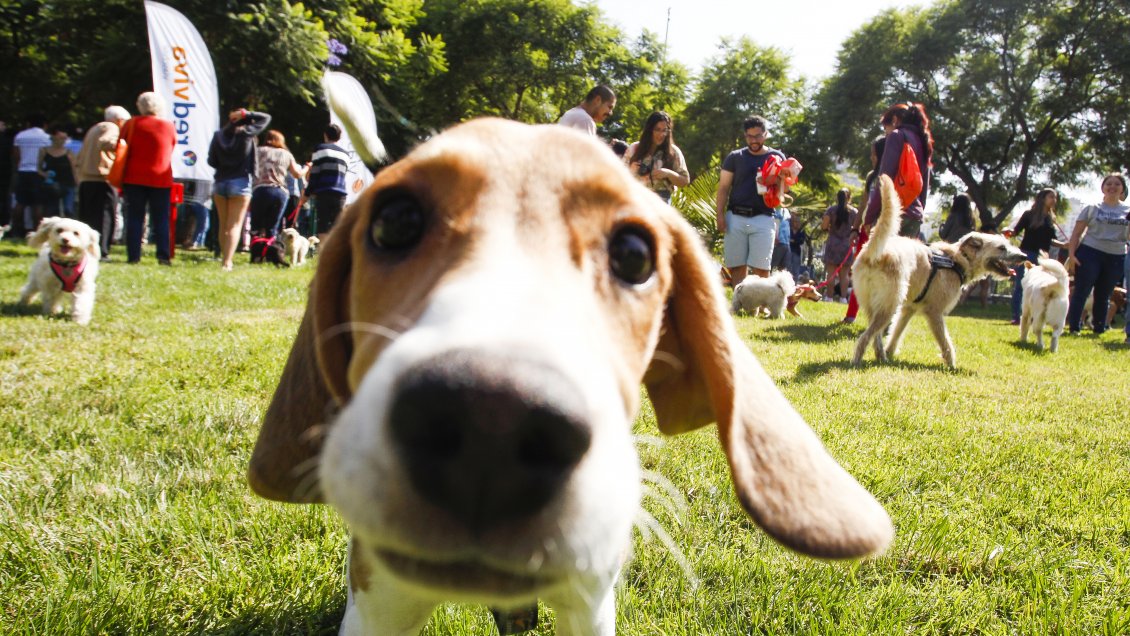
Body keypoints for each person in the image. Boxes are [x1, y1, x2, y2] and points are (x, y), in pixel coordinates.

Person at [715, 115, 788, 287]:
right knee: (737, 266)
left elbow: (786, 190)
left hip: (764, 216)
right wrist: (720, 215)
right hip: (736, 215)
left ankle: (761, 306)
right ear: (745, 136)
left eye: (757, 136)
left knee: (762, 267)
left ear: (766, 134)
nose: (753, 140)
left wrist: (774, 180)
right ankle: (740, 305)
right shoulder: (735, 157)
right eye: (749, 136)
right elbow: (724, 187)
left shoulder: (776, 156)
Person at [1065, 173, 1130, 336]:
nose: (1113, 187)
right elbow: (1076, 234)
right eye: (1109, 184)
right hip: (1090, 252)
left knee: (1104, 293)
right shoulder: (1092, 208)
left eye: (1117, 184)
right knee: (1082, 290)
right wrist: (1072, 255)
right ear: (1103, 188)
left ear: (1123, 189)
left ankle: (1099, 327)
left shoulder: (1127, 211)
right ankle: (1074, 327)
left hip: (1116, 256)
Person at [208, 107, 272, 270]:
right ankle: (227, 262)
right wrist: (246, 114)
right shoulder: (246, 134)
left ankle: (224, 256)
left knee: (223, 225)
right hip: (241, 182)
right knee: (235, 225)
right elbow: (266, 118)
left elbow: (211, 161)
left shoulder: (218, 135)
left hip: (220, 181)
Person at [861, 102, 933, 240]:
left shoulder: (897, 135)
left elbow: (885, 180)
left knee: (881, 261)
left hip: (892, 216)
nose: (885, 133)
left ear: (894, 120)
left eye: (885, 128)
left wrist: (869, 216)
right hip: (914, 217)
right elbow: (923, 185)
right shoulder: (923, 141)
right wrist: (919, 212)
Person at [119, 92, 175, 265]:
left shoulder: (132, 123)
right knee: (161, 219)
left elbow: (121, 144)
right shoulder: (168, 126)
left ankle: (134, 256)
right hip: (161, 177)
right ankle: (163, 256)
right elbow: (172, 145)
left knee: (135, 217)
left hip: (134, 177)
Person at [76, 105, 130, 260]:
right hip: (102, 179)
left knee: (87, 217)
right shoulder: (112, 127)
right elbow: (104, 142)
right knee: (105, 217)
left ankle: (85, 250)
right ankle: (102, 251)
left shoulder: (93, 128)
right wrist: (124, 146)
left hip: (86, 178)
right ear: (120, 120)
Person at [1004, 188, 1063, 324]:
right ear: (1042, 198)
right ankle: (1016, 316)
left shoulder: (1050, 219)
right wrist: (1009, 231)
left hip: (1043, 257)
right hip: (1027, 254)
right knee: (1021, 285)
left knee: (1039, 286)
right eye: (1051, 197)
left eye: (1055, 198)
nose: (1054, 200)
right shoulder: (1029, 215)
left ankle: (1034, 315)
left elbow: (1051, 240)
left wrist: (1065, 245)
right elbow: (1016, 230)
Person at [249, 130, 306, 240]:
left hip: (259, 190)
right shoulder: (286, 154)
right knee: (273, 226)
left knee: (256, 225)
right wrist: (307, 168)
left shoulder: (258, 151)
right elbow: (297, 174)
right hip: (279, 192)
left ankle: (256, 250)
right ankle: (271, 249)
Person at [623, 111, 689, 203]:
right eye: (657, 129)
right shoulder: (634, 149)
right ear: (649, 130)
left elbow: (685, 181)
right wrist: (631, 170)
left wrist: (668, 173)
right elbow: (619, 179)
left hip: (662, 203)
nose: (661, 134)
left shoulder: (673, 152)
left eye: (664, 130)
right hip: (636, 200)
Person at [298, 123, 349, 240]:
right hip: (340, 194)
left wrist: (306, 194)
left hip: (323, 192)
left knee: (323, 225)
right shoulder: (346, 154)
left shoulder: (319, 149)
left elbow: (315, 174)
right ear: (339, 137)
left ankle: (323, 253)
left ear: (325, 135)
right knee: (338, 227)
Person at [11, 114, 51, 235]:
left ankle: (16, 229)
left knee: (20, 202)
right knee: (38, 203)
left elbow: (16, 154)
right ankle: (36, 230)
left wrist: (20, 165)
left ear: (28, 123)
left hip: (23, 171)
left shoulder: (20, 136)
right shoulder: (46, 138)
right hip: (39, 173)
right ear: (44, 125)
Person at [821, 187, 859, 302]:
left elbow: (824, 226)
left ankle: (829, 297)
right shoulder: (854, 212)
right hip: (847, 245)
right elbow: (857, 228)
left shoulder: (831, 210)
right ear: (849, 198)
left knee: (831, 273)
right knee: (845, 275)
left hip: (833, 243)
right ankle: (843, 298)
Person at [37, 127, 78, 219]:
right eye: (61, 138)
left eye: (65, 138)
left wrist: (77, 182)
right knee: (52, 211)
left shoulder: (69, 152)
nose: (63, 141)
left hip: (68, 183)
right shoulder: (44, 150)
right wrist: (44, 175)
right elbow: (38, 168)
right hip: (51, 184)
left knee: (69, 209)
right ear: (53, 137)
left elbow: (74, 168)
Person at [788, 214, 809, 281]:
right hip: (788, 251)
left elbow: (801, 241)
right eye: (795, 221)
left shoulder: (801, 231)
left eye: (798, 222)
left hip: (797, 252)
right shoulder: (789, 229)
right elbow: (787, 239)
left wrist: (793, 240)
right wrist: (794, 241)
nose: (797, 223)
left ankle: (794, 285)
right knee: (788, 270)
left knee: (795, 271)